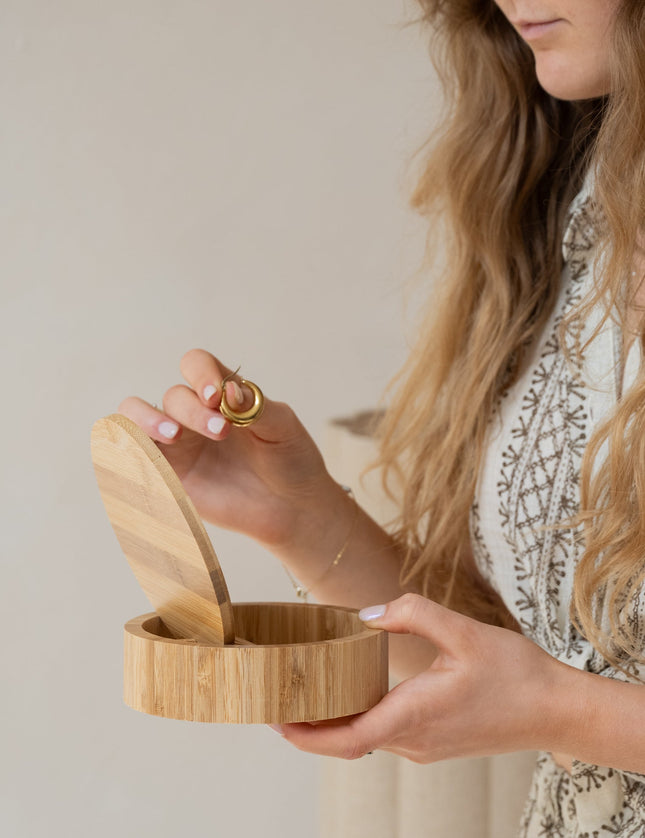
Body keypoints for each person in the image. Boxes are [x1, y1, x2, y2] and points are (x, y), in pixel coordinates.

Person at [118, 1, 645, 834]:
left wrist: (564, 713)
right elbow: (518, 673)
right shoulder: (575, 204)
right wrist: (299, 513)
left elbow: (557, 701)